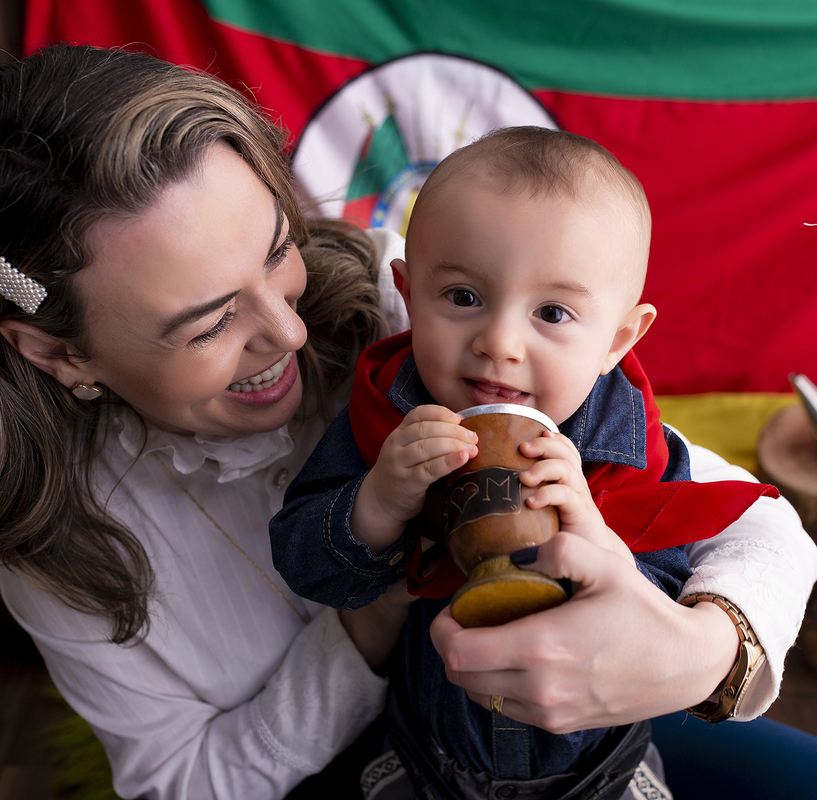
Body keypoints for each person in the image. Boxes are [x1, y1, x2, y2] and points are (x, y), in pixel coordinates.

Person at [0, 42, 817, 800]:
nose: (291, 328)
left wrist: (699, 652)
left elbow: (750, 522)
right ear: (59, 351)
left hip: (594, 731)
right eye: (210, 320)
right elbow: (186, 779)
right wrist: (382, 596)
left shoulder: (427, 300)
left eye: (277, 250)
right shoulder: (61, 541)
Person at [270, 127, 780, 798]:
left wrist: (593, 531)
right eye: (462, 297)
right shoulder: (389, 424)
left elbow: (655, 619)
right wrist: (379, 503)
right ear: (409, 292)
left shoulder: (631, 449)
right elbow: (305, 563)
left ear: (618, 340)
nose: (500, 343)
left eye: (553, 311)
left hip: (600, 774)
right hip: (425, 762)